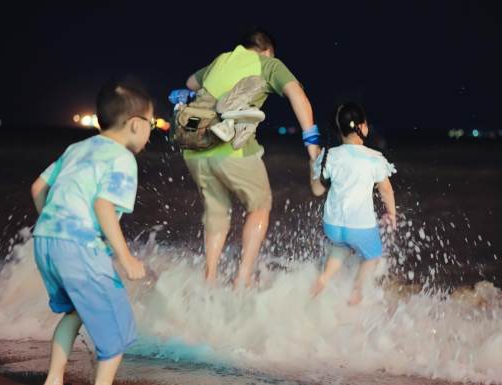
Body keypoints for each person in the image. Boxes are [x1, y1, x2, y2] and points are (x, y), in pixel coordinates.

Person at [30, 77, 151, 385]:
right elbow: (103, 206)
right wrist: (126, 259)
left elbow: (37, 188)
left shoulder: (77, 148)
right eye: (150, 122)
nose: (151, 129)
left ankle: (54, 379)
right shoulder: (123, 158)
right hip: (80, 247)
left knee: (74, 311)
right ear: (136, 124)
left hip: (45, 241)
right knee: (117, 328)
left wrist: (55, 224)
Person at [182, 28, 321, 288]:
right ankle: (242, 279)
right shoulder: (268, 63)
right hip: (231, 150)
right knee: (259, 207)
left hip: (194, 149)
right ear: (267, 50)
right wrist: (312, 146)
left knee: (217, 212)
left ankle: (209, 281)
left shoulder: (222, 58)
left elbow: (190, 83)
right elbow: (297, 96)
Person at [310, 102, 397, 305]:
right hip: (359, 226)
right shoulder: (374, 159)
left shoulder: (329, 155)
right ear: (363, 127)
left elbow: (318, 182)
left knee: (341, 247)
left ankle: (324, 278)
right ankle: (356, 292)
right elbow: (386, 190)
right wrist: (391, 213)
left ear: (339, 129)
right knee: (373, 255)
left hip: (331, 225)